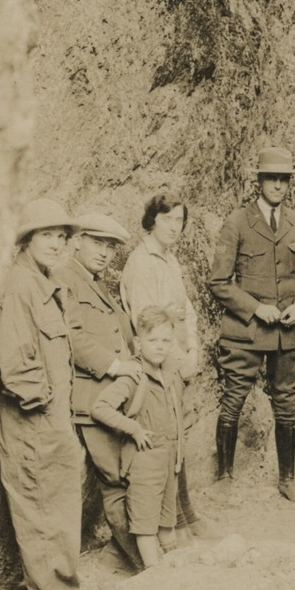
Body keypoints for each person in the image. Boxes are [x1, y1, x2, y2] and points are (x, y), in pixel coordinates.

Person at [0, 198, 88, 590]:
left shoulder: (44, 281)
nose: (56, 243)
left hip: (53, 424)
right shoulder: (20, 286)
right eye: (47, 234)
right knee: (44, 519)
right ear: (28, 239)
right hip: (34, 426)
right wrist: (46, 408)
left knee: (60, 515)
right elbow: (16, 367)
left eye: (62, 236)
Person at [209, 144, 295, 503]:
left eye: (284, 179)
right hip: (246, 332)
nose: (278, 185)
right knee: (234, 399)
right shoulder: (237, 222)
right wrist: (256, 308)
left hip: (288, 333)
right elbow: (219, 283)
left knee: (286, 403)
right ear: (259, 181)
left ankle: (287, 480)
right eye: (271, 178)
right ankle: (224, 477)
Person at [58, 207, 142, 568]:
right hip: (92, 394)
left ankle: (129, 549)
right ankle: (137, 559)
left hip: (115, 389)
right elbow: (71, 337)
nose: (105, 253)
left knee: (127, 474)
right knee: (114, 479)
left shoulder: (93, 280)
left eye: (110, 246)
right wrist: (115, 365)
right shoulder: (65, 278)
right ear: (76, 241)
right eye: (97, 243)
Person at [121, 190, 204, 536]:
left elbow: (187, 312)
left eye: (180, 220)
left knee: (179, 439)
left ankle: (183, 518)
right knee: (164, 444)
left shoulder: (170, 260)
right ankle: (164, 526)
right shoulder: (142, 263)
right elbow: (148, 324)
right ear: (153, 220)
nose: (175, 227)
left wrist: (194, 350)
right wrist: (178, 361)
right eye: (168, 219)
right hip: (160, 366)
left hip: (180, 361)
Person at [87, 307, 188, 570]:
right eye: (153, 341)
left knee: (168, 520)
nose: (160, 347)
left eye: (166, 341)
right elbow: (100, 408)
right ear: (139, 342)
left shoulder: (171, 371)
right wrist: (133, 429)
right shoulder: (134, 376)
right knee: (145, 523)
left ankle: (175, 570)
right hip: (145, 460)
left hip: (169, 458)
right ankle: (154, 575)